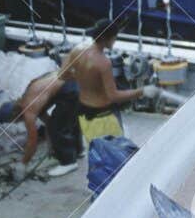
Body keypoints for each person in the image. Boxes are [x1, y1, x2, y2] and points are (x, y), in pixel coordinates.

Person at [59, 16, 156, 144]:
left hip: (83, 112)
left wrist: (85, 78)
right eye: (114, 37)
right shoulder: (103, 63)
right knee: (115, 153)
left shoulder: (78, 50)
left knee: (96, 151)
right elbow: (114, 96)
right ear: (106, 38)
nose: (115, 40)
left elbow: (62, 75)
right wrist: (142, 91)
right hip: (103, 116)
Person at [0, 70, 82, 180]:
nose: (16, 123)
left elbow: (33, 142)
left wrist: (23, 164)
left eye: (13, 121)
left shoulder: (28, 109)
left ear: (14, 114)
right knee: (64, 120)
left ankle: (68, 162)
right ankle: (79, 150)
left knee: (59, 125)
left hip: (69, 88)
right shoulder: (30, 101)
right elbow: (48, 122)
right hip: (71, 82)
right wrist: (51, 145)